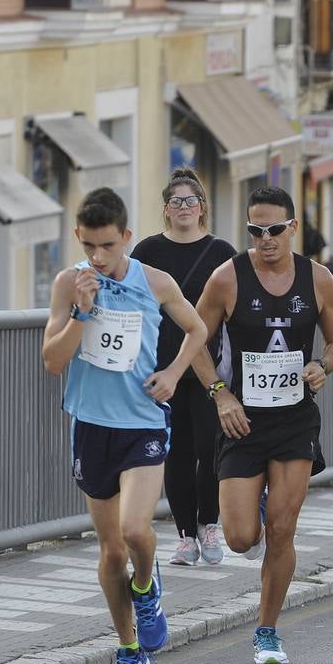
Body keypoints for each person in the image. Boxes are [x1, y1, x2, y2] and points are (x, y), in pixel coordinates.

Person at [41, 188, 206, 664]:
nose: (98, 257)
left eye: (108, 246)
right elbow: (52, 359)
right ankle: (129, 651)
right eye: (89, 245)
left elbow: (197, 328)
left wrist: (175, 373)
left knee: (137, 530)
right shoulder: (70, 284)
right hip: (92, 426)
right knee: (111, 550)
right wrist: (82, 312)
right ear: (78, 238)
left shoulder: (154, 281)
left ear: (127, 239)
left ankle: (147, 588)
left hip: (142, 422)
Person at [191, 186, 333, 664]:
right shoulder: (226, 278)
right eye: (255, 231)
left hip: (296, 419)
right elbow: (195, 341)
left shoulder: (318, 279)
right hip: (242, 422)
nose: (265, 239)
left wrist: (323, 365)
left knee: (282, 529)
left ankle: (267, 629)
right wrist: (220, 395)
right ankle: (256, 498)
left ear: (293, 228)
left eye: (275, 230)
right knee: (241, 537)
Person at [131, 167, 236, 566]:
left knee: (210, 448)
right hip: (161, 368)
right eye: (176, 202)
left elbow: (233, 309)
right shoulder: (147, 251)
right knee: (175, 453)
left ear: (203, 208)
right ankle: (184, 536)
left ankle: (210, 526)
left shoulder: (222, 252)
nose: (184, 208)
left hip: (209, 368)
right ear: (166, 210)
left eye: (191, 201)